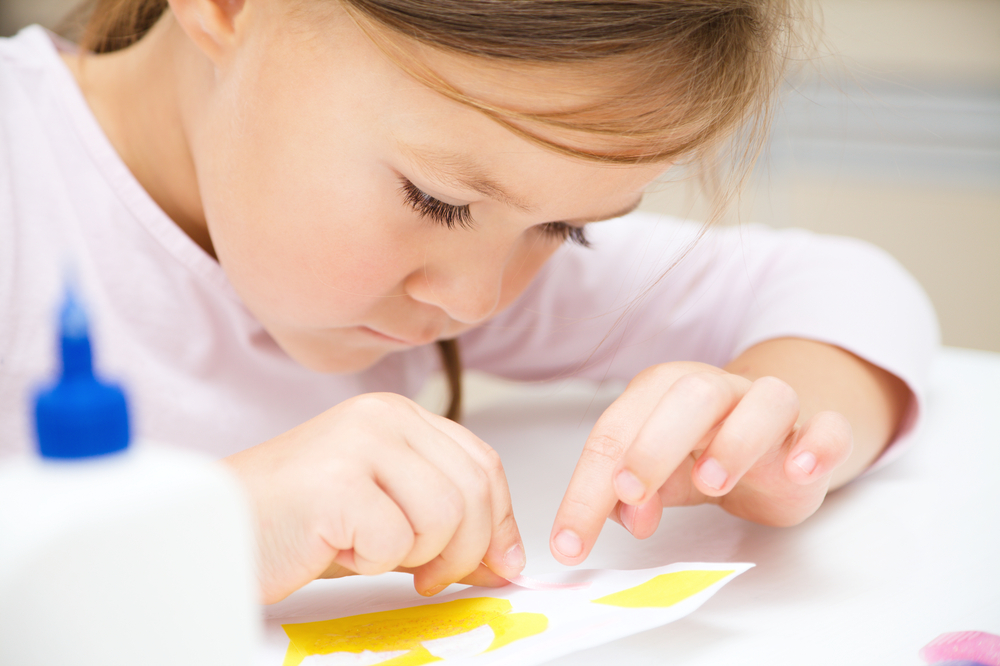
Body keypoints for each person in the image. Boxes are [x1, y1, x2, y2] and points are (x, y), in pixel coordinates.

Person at [0, 0, 938, 604]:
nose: (477, 299)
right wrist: (217, 527)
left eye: (563, 231)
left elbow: (853, 287)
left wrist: (775, 426)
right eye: (437, 201)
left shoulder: (455, 267)